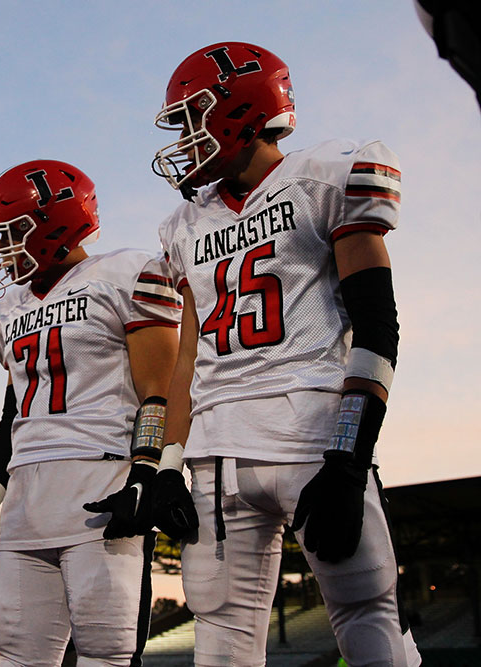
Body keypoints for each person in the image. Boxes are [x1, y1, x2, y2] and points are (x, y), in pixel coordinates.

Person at [149, 41, 421, 666]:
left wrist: (351, 458)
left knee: (366, 611)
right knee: (220, 636)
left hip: (311, 435)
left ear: (238, 108)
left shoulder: (323, 177)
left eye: (193, 118)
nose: (186, 140)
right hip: (215, 452)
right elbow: (184, 362)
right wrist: (167, 463)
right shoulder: (184, 225)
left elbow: (378, 327)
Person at [0, 160, 181, 667]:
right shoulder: (8, 311)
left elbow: (159, 391)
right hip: (24, 503)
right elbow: (13, 416)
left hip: (101, 484)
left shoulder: (125, 273)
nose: (3, 247)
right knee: (16, 655)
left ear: (54, 222)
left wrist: (146, 474)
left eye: (13, 232)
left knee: (108, 653)